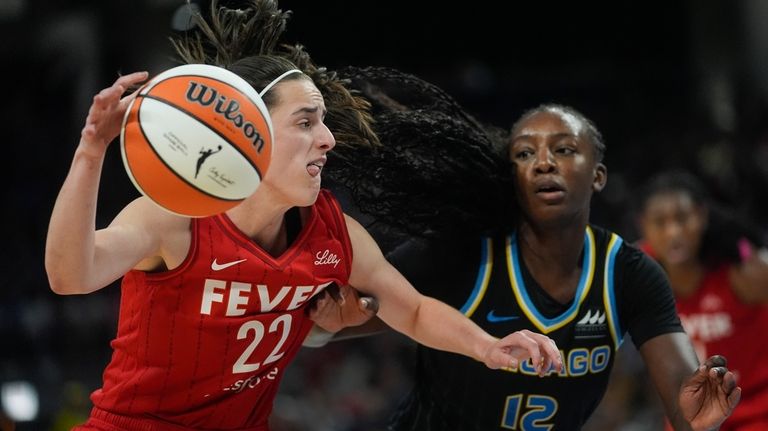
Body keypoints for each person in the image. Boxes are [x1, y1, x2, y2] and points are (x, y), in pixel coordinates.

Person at [43, 1, 563, 430]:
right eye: (306, 122)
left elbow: (416, 311)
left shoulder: (334, 233)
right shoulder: (173, 217)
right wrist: (92, 149)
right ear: (250, 131)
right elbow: (70, 276)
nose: (329, 138)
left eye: (325, 122)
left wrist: (491, 348)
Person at [312, 79, 743, 430]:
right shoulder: (461, 251)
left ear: (598, 176)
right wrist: (326, 326)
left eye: (564, 149)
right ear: (512, 176)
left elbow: (685, 404)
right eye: (524, 154)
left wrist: (699, 422)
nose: (543, 163)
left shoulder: (629, 274)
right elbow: (336, 320)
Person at [636, 169, 768, 430]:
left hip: (755, 411)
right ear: (644, 227)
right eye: (660, 222)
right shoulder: (638, 271)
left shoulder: (743, 270)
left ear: (701, 215)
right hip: (690, 418)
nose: (673, 232)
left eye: (682, 218)